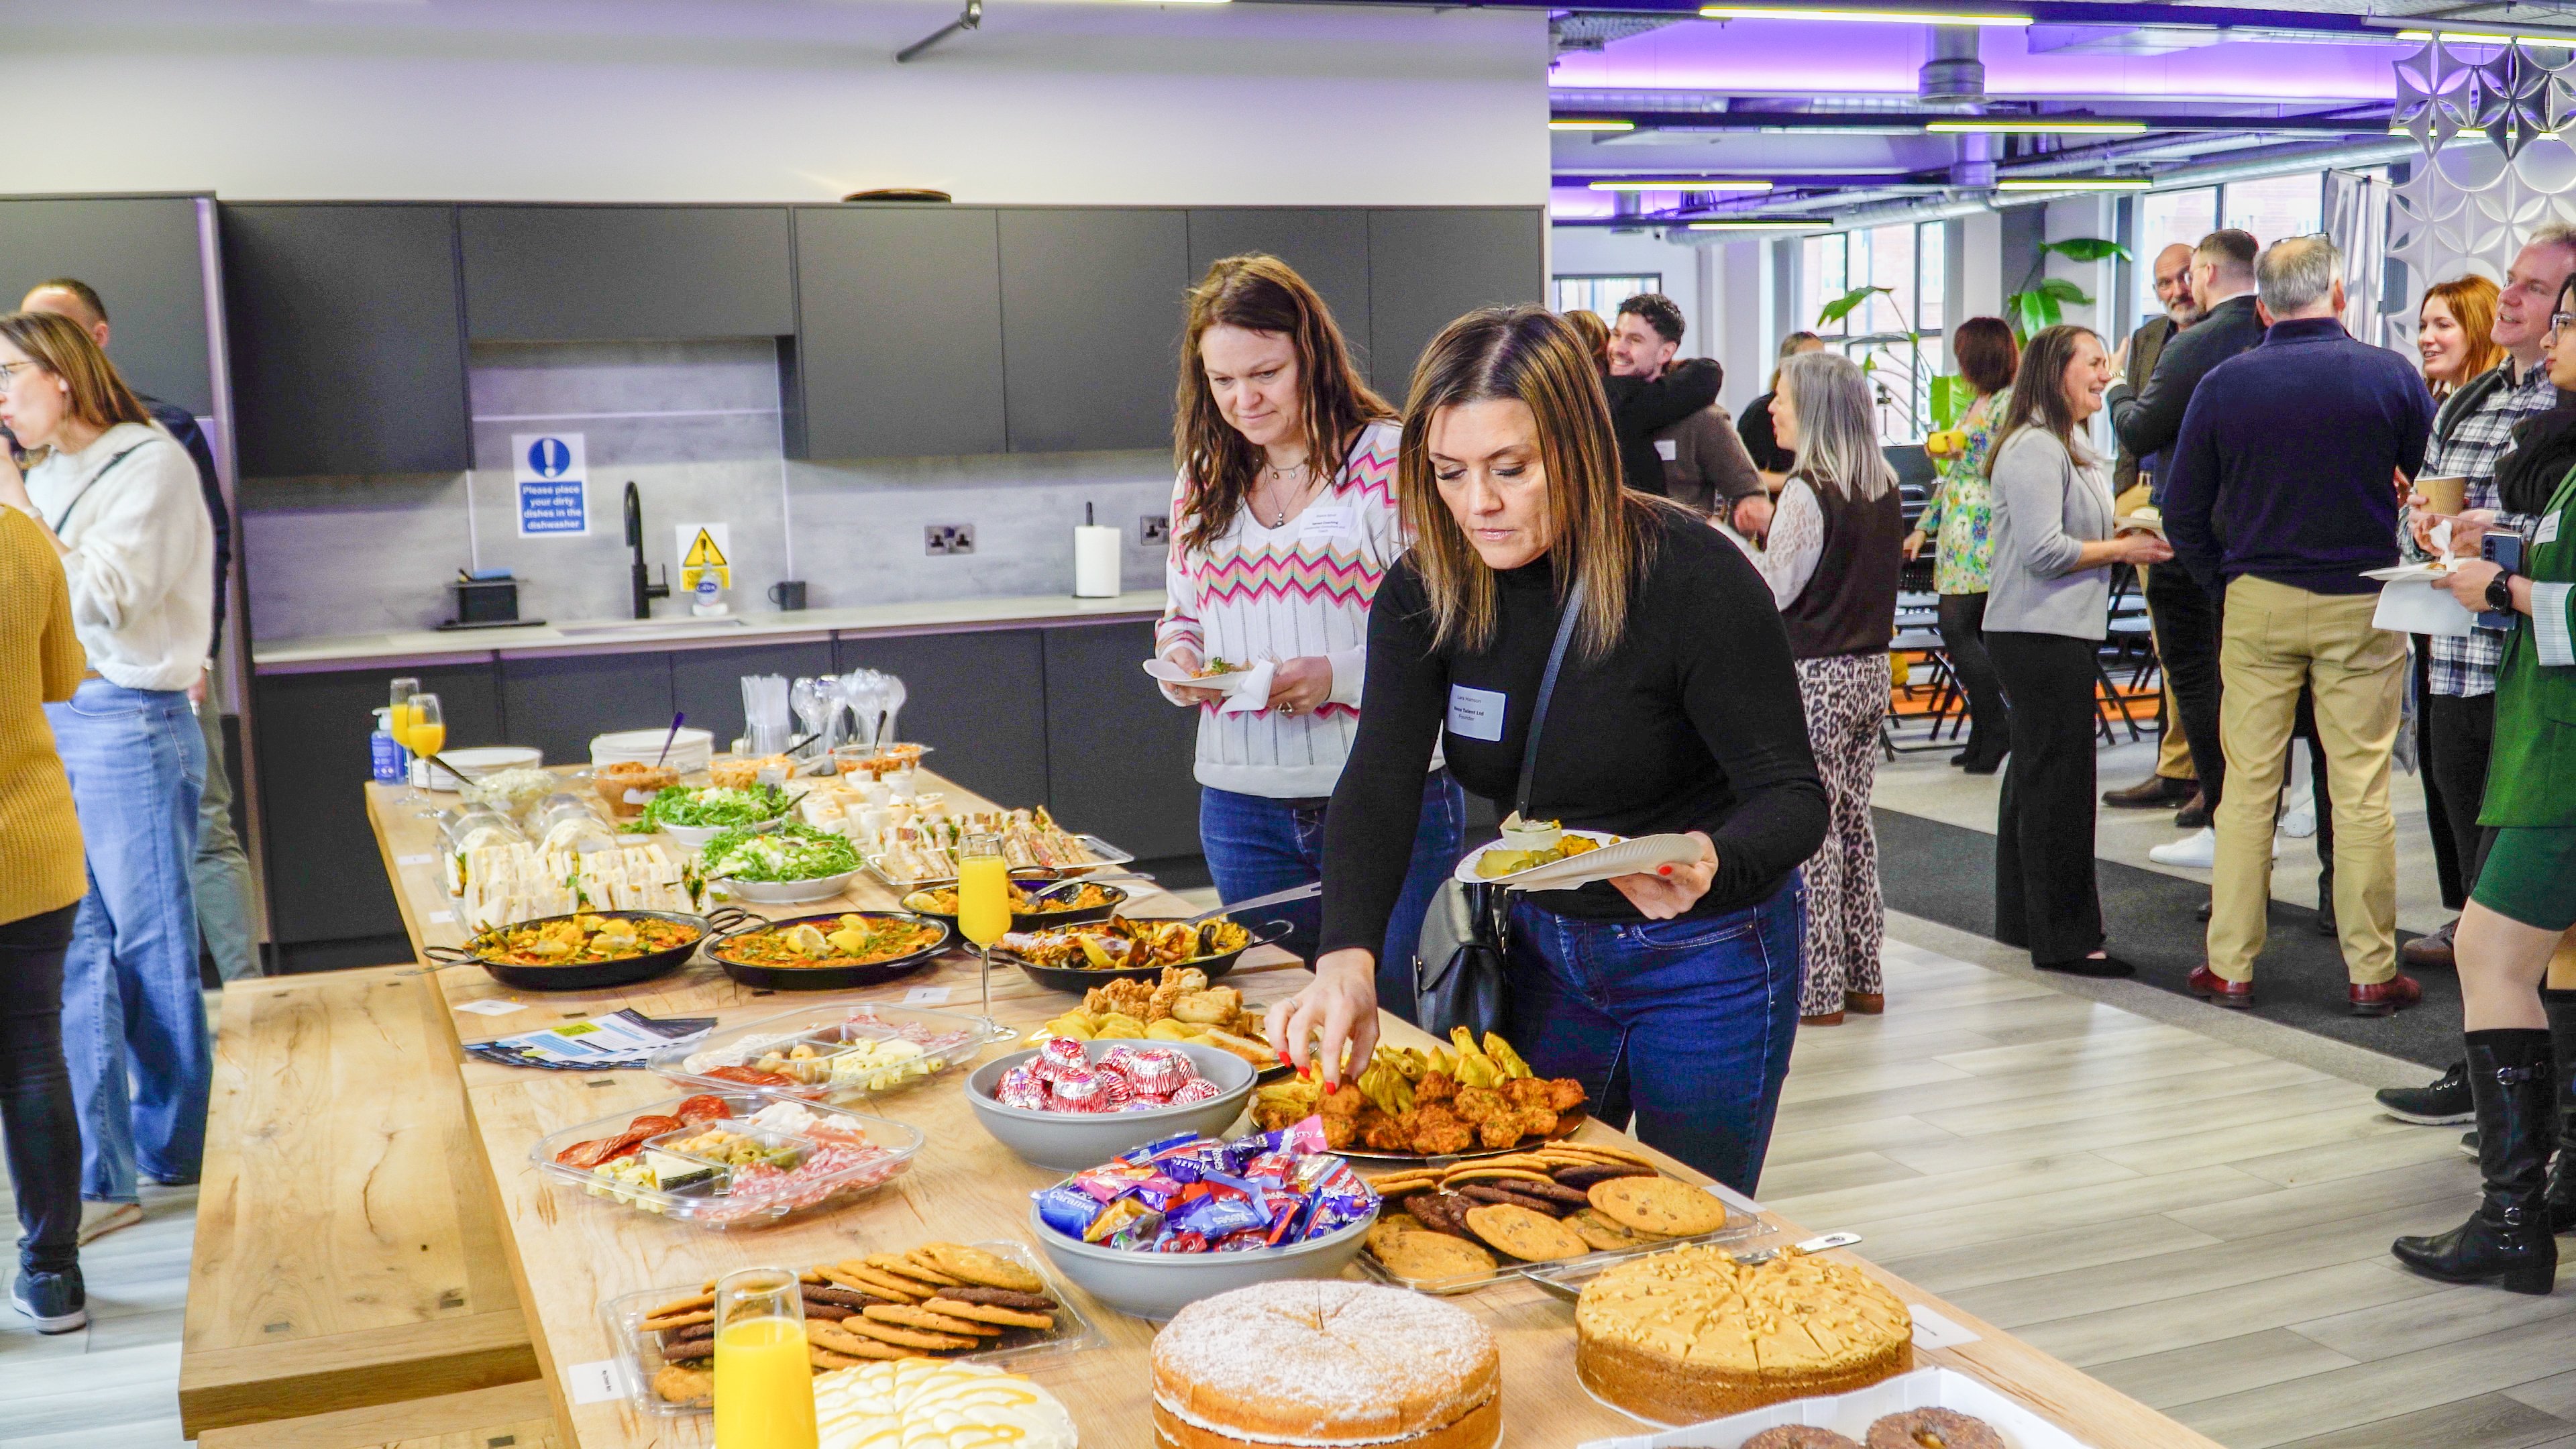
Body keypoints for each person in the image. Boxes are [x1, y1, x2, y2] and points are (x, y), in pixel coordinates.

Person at [1269, 305, 1828, 1193]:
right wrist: (1347, 958)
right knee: (1531, 1203)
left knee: (1684, 1227)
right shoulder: (1429, 586)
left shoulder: (1692, 576)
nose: (1477, 504)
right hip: (1543, 952)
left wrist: (1710, 855)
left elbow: (1794, 796)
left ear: (1573, 446)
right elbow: (1379, 776)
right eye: (1450, 473)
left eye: (1511, 469)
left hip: (1706, 956)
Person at [1155, 255, 1465, 1010]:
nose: (1244, 399)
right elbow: (1182, 609)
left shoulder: (1392, 461)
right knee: (1279, 1010)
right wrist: (1179, 657)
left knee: (1395, 1017)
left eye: (1264, 373)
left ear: (1312, 357)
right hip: (1241, 803)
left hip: (1388, 792)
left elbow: (1453, 624)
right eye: (1222, 382)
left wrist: (1335, 676)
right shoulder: (1203, 474)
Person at [2162, 235, 2433, 1016]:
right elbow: (2430, 491)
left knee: (2248, 791)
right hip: (2363, 601)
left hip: (2257, 599)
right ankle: (2371, 972)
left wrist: (2226, 580)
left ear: (2260, 306)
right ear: (2340, 295)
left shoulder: (2223, 384)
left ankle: (2231, 966)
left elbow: (2181, 512)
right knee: (2360, 792)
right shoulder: (2390, 377)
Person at [0, 311, 213, 1243]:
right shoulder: (45, 475)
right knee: (76, 955)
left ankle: (179, 1148)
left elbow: (106, 604)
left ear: (64, 376)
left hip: (134, 722)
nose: (0, 396)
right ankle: (104, 1179)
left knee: (151, 951)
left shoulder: (151, 463)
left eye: (11, 375)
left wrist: (19, 508)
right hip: (60, 722)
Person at [2390, 282, 2576, 1294]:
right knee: (2547, 960)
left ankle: (2512, 1219)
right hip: (2547, 740)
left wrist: (2501, 587)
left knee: (2488, 949)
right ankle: (2543, 1191)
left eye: (2567, 320)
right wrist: (2495, 552)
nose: (2550, 341)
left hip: (2565, 756)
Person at [21, 278, 256, 987]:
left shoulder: (155, 437)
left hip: (153, 682)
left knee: (204, 837)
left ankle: (246, 994)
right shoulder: (38, 458)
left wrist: (201, 656)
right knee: (90, 902)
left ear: (92, 343)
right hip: (68, 697)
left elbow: (204, 548)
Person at [1982, 325, 2174, 976]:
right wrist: (2124, 549)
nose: (2106, 373)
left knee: (2035, 780)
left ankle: (2021, 922)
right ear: (2055, 370)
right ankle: (2067, 941)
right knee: (2060, 787)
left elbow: (2072, 530)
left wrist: (2125, 531)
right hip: (2039, 631)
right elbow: (2043, 551)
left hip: (2051, 628)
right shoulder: (2036, 445)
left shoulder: (2072, 443)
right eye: (2094, 363)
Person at [1742, 352, 1902, 1024]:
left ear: (1811, 407)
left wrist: (1736, 548)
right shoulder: (1883, 483)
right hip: (1870, 671)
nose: (1772, 408)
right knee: (1855, 825)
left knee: (1814, 833)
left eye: (1781, 397)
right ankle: (1866, 975)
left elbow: (1777, 588)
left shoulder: (1808, 490)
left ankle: (1817, 989)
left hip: (1816, 676)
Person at [2106, 230, 2265, 853]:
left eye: (2185, 276)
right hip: (2257, 539)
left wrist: (2117, 387)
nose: (2178, 290)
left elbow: (2141, 428)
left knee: (2200, 679)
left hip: (2196, 538)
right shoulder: (2271, 334)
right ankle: (2239, 819)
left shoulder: (2195, 344)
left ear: (2203, 272)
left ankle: (2223, 816)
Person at [0, 500, 94, 1331]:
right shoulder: (20, 535)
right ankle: (54, 1276)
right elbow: (62, 677)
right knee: (32, 1056)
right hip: (29, 845)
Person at [2102, 241, 2204, 813]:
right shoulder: (2146, 340)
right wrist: (2123, 497)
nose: (2175, 292)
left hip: (2196, 503)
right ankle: (2176, 766)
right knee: (2168, 644)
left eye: (2183, 278)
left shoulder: (2222, 335)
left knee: (2197, 647)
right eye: (2163, 283)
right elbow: (2130, 429)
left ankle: (2199, 774)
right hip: (2143, 498)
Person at [1902, 316, 2019, 774]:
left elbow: (1975, 454)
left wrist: (1949, 446)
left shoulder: (2008, 402)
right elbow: (1950, 472)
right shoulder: (1980, 400)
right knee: (1962, 629)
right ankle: (1984, 730)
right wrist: (1924, 527)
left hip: (1983, 526)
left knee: (1956, 625)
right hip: (1958, 525)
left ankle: (2000, 724)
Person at [1607, 294, 1770, 536]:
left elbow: (1748, 495)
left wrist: (1718, 549)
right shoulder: (1599, 410)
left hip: (1681, 558)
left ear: (1666, 352)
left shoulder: (1703, 420)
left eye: (1635, 340)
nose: (1618, 349)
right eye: (1617, 334)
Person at [1740, 331, 1827, 489]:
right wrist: (1805, 483)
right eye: (1810, 361)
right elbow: (1746, 476)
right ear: (1786, 367)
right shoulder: (1760, 413)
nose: (1819, 369)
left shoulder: (1825, 411)